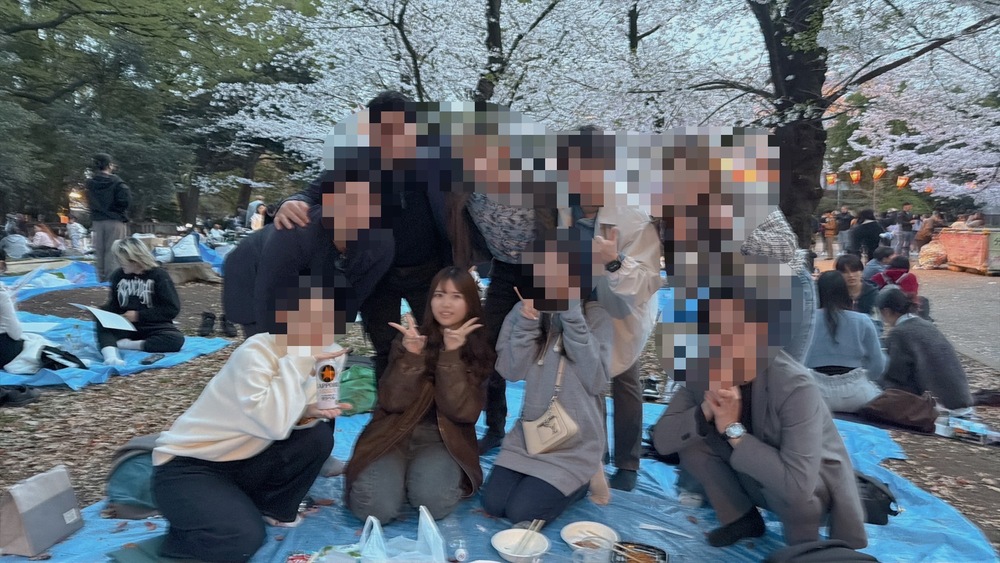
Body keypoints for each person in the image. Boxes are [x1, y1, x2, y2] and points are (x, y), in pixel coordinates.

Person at [652, 291, 867, 549]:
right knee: (691, 439)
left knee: (802, 498)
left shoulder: (794, 386)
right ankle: (741, 519)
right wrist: (705, 411)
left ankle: (804, 549)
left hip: (802, 488)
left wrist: (732, 429)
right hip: (750, 473)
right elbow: (662, 440)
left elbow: (797, 486)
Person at [152, 288, 350, 563]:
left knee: (317, 437)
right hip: (192, 464)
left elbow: (287, 419)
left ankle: (269, 506)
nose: (319, 331)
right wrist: (299, 360)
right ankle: (197, 526)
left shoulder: (331, 355)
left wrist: (308, 412)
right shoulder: (257, 351)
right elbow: (271, 423)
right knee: (240, 540)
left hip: (247, 457)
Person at [271, 92, 455, 384]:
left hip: (429, 272)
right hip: (378, 274)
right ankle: (388, 409)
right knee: (386, 348)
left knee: (439, 346)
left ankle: (431, 408)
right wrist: (290, 202)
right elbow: (309, 193)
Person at [345, 267, 493, 523]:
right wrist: (411, 358)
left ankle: (412, 477)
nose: (446, 304)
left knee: (434, 504)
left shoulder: (479, 349)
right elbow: (391, 402)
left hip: (442, 441)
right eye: (439, 295)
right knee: (375, 509)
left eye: (456, 296)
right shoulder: (412, 339)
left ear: (470, 302)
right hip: (394, 434)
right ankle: (397, 477)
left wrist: (451, 356)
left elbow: (463, 412)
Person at [560, 126, 662, 492]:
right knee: (588, 377)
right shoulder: (563, 206)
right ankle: (595, 454)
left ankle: (628, 461)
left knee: (625, 377)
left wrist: (615, 261)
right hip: (583, 302)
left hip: (623, 306)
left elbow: (648, 279)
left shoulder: (632, 216)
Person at [482, 242, 613, 525]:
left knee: (522, 512)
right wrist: (527, 323)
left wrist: (571, 313)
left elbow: (596, 381)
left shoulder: (597, 316)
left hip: (574, 441)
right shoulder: (522, 310)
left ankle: (586, 476)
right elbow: (510, 371)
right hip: (531, 435)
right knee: (493, 503)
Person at [876, 287, 973, 413]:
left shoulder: (899, 333)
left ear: (886, 311)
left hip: (939, 405)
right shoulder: (926, 325)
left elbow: (895, 375)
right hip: (961, 398)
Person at [803, 272, 885, 413]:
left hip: (814, 393)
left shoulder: (806, 320)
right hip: (857, 393)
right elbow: (878, 365)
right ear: (845, 292)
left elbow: (794, 360)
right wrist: (866, 378)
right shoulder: (863, 320)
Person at [97, 238, 184, 366]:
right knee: (101, 320)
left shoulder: (159, 275)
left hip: (153, 326)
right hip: (125, 326)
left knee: (176, 340)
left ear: (135, 259)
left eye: (122, 260)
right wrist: (102, 311)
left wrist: (139, 315)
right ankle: (110, 357)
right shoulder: (118, 275)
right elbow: (114, 304)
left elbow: (171, 309)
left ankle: (127, 345)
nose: (119, 263)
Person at [85, 153, 131, 282]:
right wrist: (117, 211)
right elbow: (125, 200)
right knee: (114, 250)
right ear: (109, 165)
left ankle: (101, 279)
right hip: (115, 220)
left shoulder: (90, 183)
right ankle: (112, 279)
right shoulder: (117, 182)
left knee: (99, 250)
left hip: (97, 220)